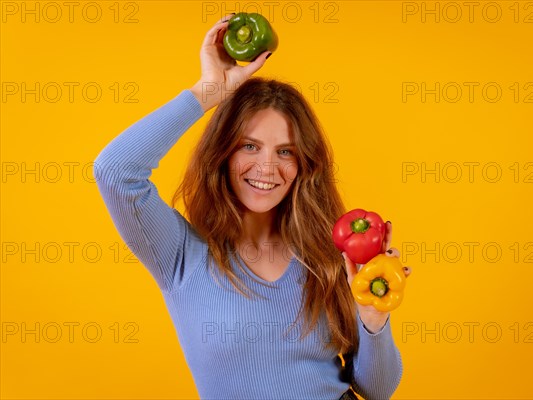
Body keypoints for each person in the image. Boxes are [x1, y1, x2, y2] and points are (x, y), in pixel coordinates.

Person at [93, 14, 411, 400]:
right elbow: (115, 172)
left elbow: (376, 390)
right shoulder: (181, 254)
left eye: (285, 152)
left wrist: (374, 318)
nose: (266, 167)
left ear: (303, 165)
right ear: (223, 153)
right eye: (249, 146)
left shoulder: (332, 258)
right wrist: (207, 92)